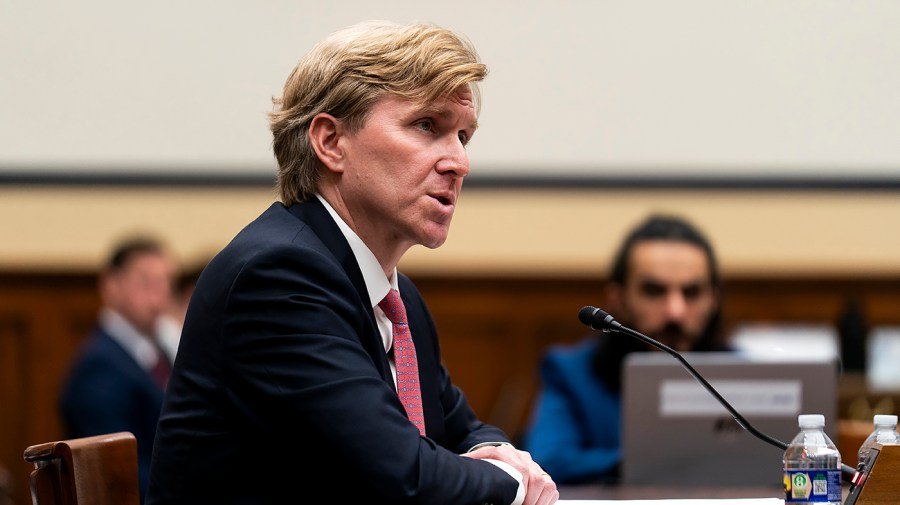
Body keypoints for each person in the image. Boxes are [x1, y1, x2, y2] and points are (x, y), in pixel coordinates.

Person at [147, 22, 557, 505]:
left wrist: (496, 452)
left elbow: (461, 428)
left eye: (463, 136)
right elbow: (403, 474)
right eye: (427, 126)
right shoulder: (278, 278)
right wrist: (514, 482)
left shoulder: (396, 299)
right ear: (331, 142)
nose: (459, 162)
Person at [525, 215, 724, 484]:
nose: (675, 311)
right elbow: (548, 462)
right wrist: (661, 462)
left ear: (713, 300)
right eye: (654, 291)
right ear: (618, 298)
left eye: (692, 292)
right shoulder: (571, 373)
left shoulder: (747, 373)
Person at [60, 237, 176, 499]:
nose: (158, 296)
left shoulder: (159, 350)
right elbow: (115, 471)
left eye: (166, 283)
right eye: (146, 283)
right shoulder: (98, 366)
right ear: (111, 285)